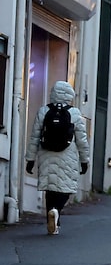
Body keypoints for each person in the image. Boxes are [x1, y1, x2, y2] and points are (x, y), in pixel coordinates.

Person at [25, 81, 90, 235]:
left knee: (50, 188)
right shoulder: (75, 113)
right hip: (67, 155)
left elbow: (35, 136)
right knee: (65, 189)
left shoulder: (43, 111)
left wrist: (30, 159)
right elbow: (82, 140)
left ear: (53, 93)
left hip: (46, 153)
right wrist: (84, 160)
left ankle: (52, 218)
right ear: (70, 95)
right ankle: (56, 211)